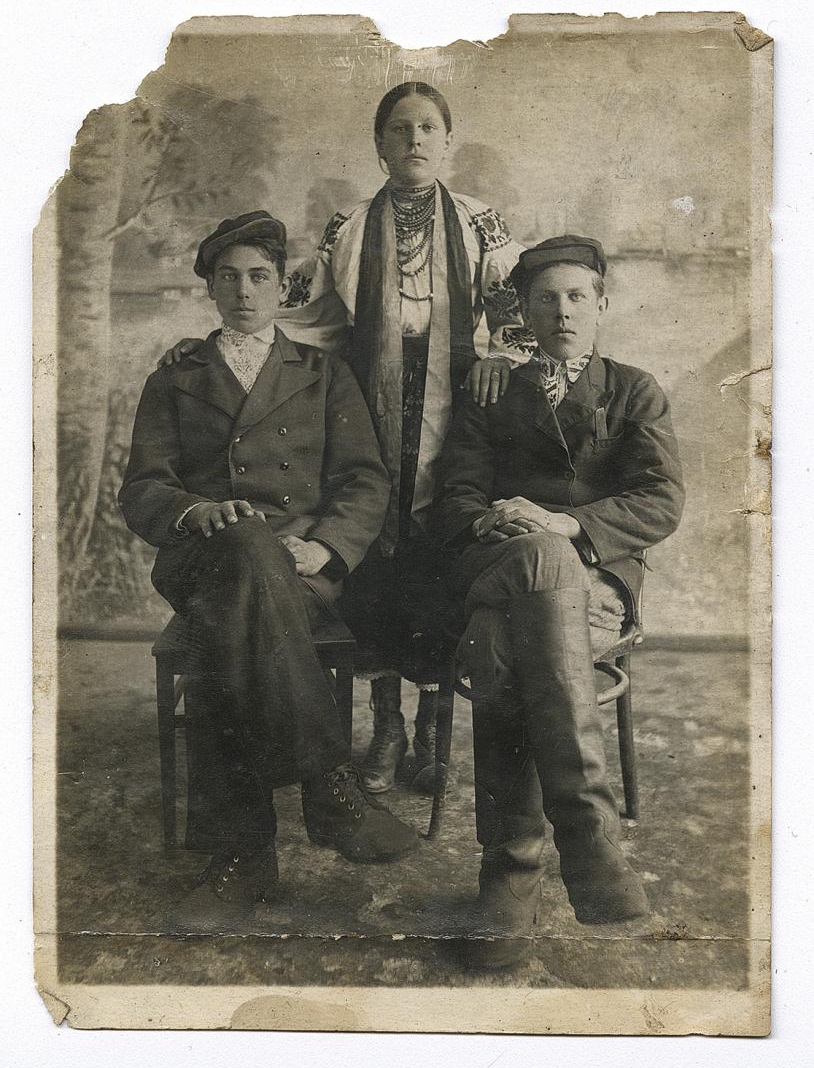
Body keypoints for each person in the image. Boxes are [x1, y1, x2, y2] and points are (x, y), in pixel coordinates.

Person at [162, 82, 531, 794]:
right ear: (380, 145)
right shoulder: (349, 227)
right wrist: (213, 342)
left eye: (428, 128)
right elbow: (294, 313)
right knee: (374, 548)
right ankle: (386, 725)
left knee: (442, 545)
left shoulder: (482, 223)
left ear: (446, 141)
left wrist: (500, 354)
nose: (415, 140)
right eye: (400, 129)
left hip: (459, 409)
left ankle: (432, 726)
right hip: (371, 400)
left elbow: (515, 300)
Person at [119, 211, 417, 928]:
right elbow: (143, 489)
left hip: (301, 562)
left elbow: (364, 480)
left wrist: (328, 547)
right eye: (229, 277)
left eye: (259, 277)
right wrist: (193, 512)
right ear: (211, 289)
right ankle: (329, 784)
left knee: (233, 631)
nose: (244, 291)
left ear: (284, 287)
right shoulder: (177, 377)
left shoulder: (322, 374)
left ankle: (241, 860)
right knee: (243, 548)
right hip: (203, 554)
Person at [433, 235, 685, 968]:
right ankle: (590, 844)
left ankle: (509, 876)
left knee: (510, 640)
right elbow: (456, 493)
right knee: (535, 565)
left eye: (577, 297)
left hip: (596, 574)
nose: (563, 311)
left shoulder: (634, 389)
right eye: (547, 298)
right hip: (501, 561)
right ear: (525, 310)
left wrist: (566, 523)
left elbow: (661, 498)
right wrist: (491, 518)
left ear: (602, 304)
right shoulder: (495, 390)